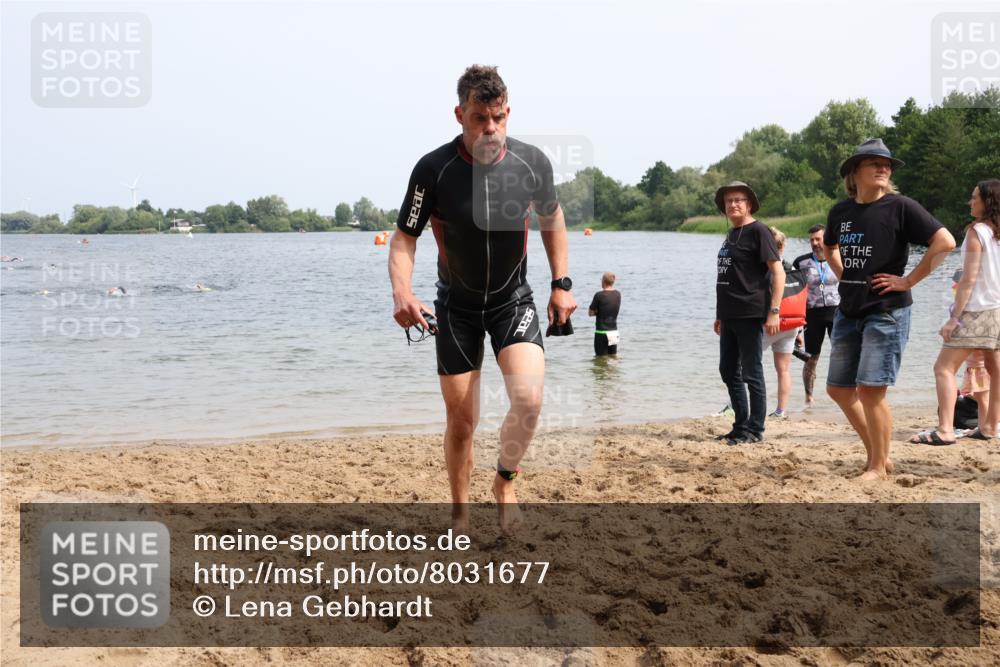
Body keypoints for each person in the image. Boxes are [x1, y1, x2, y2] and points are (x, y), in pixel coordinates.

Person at [389, 65, 575, 533]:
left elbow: (553, 220)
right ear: (459, 115)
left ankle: (505, 480)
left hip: (513, 299)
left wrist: (562, 283)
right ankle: (459, 509)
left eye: (497, 117)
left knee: (529, 400)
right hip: (456, 308)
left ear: (507, 113)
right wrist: (403, 293)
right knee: (462, 421)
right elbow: (404, 238)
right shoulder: (434, 169)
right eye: (478, 118)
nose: (489, 128)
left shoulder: (532, 163)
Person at [823, 138, 956, 480]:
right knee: (838, 389)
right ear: (855, 172)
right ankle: (878, 454)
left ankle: (878, 467)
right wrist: (846, 277)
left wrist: (908, 280)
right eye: (874, 164)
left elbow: (945, 242)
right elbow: (829, 247)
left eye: (887, 165)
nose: (884, 168)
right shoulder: (840, 211)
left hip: (886, 310)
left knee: (870, 389)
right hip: (848, 309)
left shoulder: (901, 207)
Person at [917, 180, 1000, 444]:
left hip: (977, 310)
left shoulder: (976, 232)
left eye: (974, 197)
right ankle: (989, 427)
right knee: (996, 369)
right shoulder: (997, 233)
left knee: (943, 367)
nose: (970, 201)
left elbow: (969, 279)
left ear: (988, 201)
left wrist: (954, 317)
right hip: (997, 308)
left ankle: (945, 430)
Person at [714, 181, 784, 445]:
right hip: (729, 313)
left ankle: (755, 429)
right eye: (729, 200)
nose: (733, 204)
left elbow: (778, 271)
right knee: (728, 370)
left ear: (749, 204)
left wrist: (774, 311)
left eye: (738, 200)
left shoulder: (759, 231)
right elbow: (727, 276)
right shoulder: (732, 234)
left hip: (750, 311)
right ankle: (740, 424)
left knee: (751, 372)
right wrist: (720, 314)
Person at [792, 224, 841, 408]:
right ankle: (809, 398)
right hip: (812, 314)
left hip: (837, 312)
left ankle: (846, 392)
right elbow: (794, 295)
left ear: (826, 238)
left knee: (843, 355)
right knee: (811, 358)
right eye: (811, 240)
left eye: (818, 239)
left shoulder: (839, 257)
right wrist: (796, 326)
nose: (814, 243)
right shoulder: (801, 262)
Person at [762, 227, 803, 419]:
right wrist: (800, 331)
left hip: (770, 323)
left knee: (743, 365)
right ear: (783, 246)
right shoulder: (793, 269)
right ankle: (780, 411)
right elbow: (801, 298)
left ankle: (735, 406)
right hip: (792, 324)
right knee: (784, 370)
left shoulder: (765, 267)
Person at [588, 272, 621, 356]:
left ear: (603, 281)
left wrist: (598, 312)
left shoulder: (599, 295)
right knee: (613, 358)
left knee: (600, 359)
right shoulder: (618, 294)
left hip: (601, 332)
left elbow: (590, 313)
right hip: (614, 332)